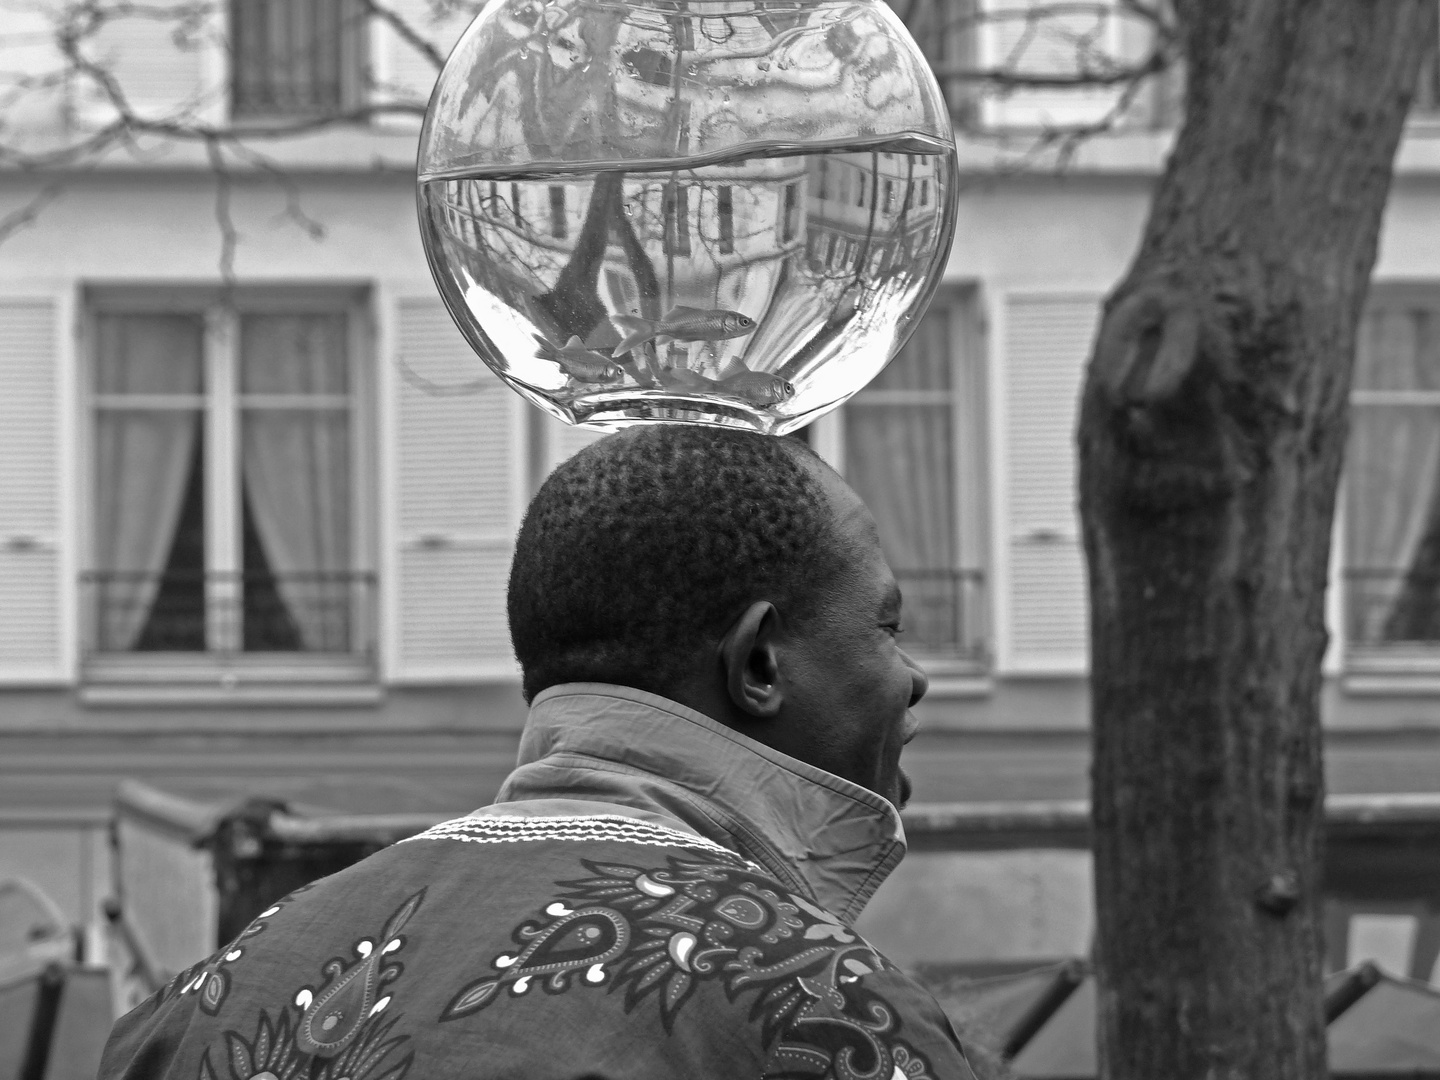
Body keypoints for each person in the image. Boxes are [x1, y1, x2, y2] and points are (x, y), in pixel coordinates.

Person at [100, 424, 979, 1080]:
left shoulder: (210, 995)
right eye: (887, 627)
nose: (912, 678)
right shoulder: (824, 1012)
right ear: (758, 662)